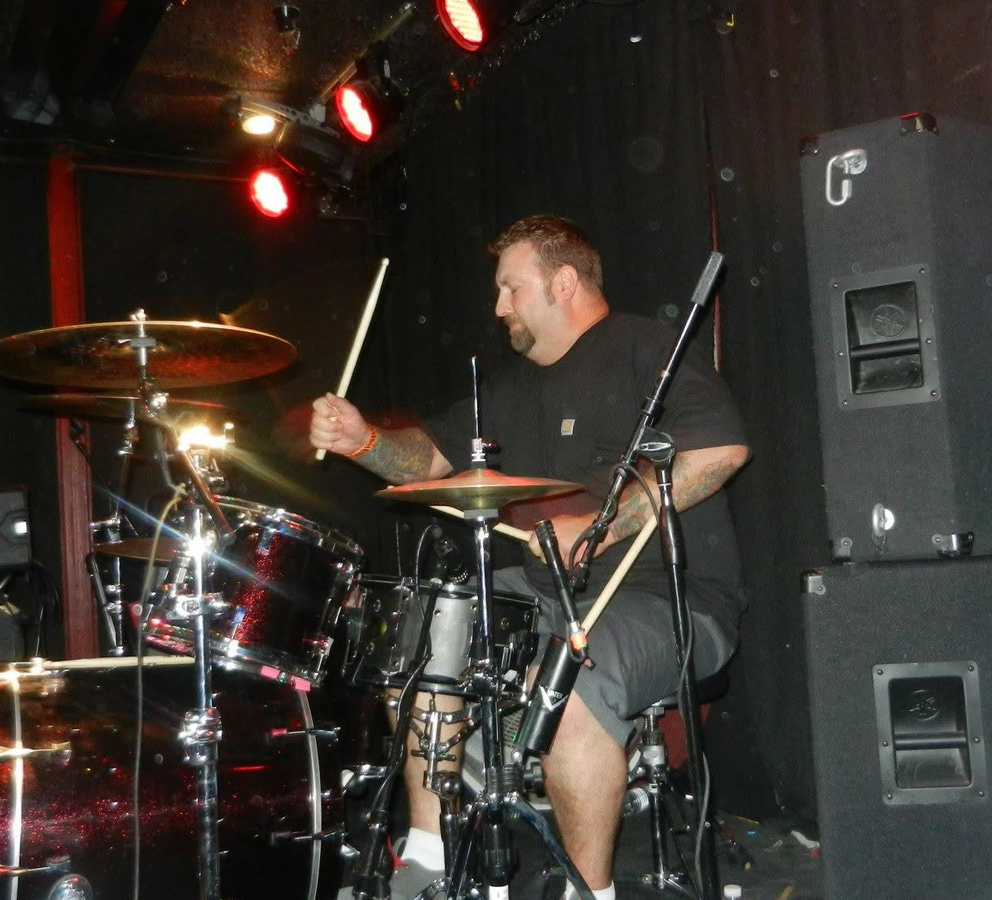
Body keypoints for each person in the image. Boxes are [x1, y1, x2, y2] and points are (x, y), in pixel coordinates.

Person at [309, 215, 750, 900]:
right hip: (544, 590)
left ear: (563, 282)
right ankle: (428, 853)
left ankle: (588, 890)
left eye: (511, 288)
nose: (499, 306)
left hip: (668, 599)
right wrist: (362, 439)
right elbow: (426, 460)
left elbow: (720, 449)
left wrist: (603, 527)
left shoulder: (646, 349)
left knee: (566, 684)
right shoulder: (511, 389)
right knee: (423, 641)